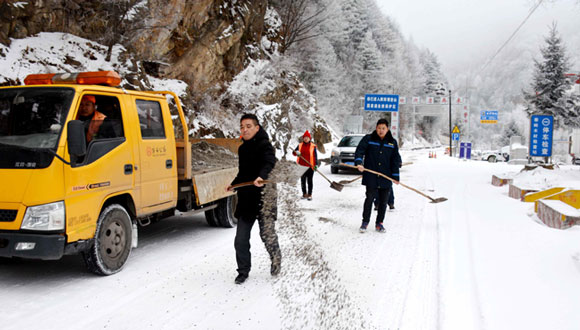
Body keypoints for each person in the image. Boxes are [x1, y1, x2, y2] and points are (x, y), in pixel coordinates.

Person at [227, 113, 281, 284]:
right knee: (241, 239)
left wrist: (261, 176)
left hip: (265, 197)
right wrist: (234, 184)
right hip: (247, 199)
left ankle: (276, 259)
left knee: (267, 234)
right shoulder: (242, 149)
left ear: (257, 128)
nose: (245, 129)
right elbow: (243, 172)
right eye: (242, 127)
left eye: (249, 126)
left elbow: (269, 162)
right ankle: (243, 271)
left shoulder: (265, 145)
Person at [355, 118, 401, 233]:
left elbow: (395, 160)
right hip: (371, 175)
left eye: (383, 128)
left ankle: (379, 223)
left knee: (383, 202)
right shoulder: (369, 139)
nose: (381, 130)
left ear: (387, 129)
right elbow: (360, 150)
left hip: (386, 176)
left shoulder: (392, 142)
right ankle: (365, 222)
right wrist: (359, 163)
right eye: (379, 128)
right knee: (369, 198)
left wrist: (395, 177)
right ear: (376, 128)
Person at [292, 130, 318, 200]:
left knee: (309, 181)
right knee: (303, 181)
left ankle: (309, 194)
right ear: (303, 138)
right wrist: (296, 152)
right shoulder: (300, 145)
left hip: (310, 166)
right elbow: (293, 153)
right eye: (305, 137)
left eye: (307, 137)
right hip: (301, 166)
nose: (306, 139)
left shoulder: (313, 146)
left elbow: (315, 156)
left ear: (310, 138)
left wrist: (316, 165)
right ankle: (304, 194)